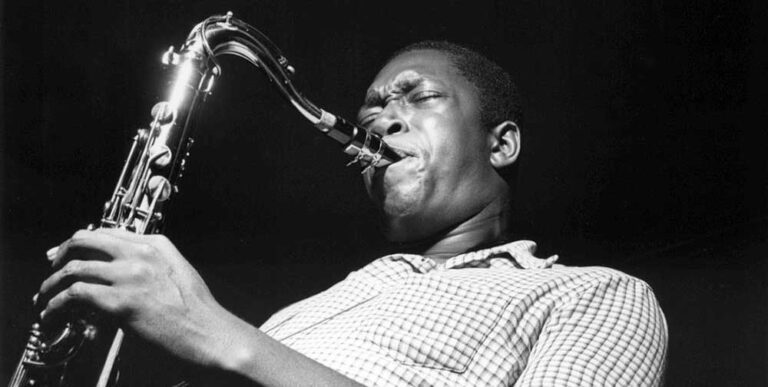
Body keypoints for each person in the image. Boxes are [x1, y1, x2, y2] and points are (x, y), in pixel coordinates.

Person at [36, 41, 667, 386]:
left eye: (418, 97)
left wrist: (214, 332)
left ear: (500, 143)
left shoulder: (594, 294)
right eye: (370, 112)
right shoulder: (303, 315)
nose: (381, 119)